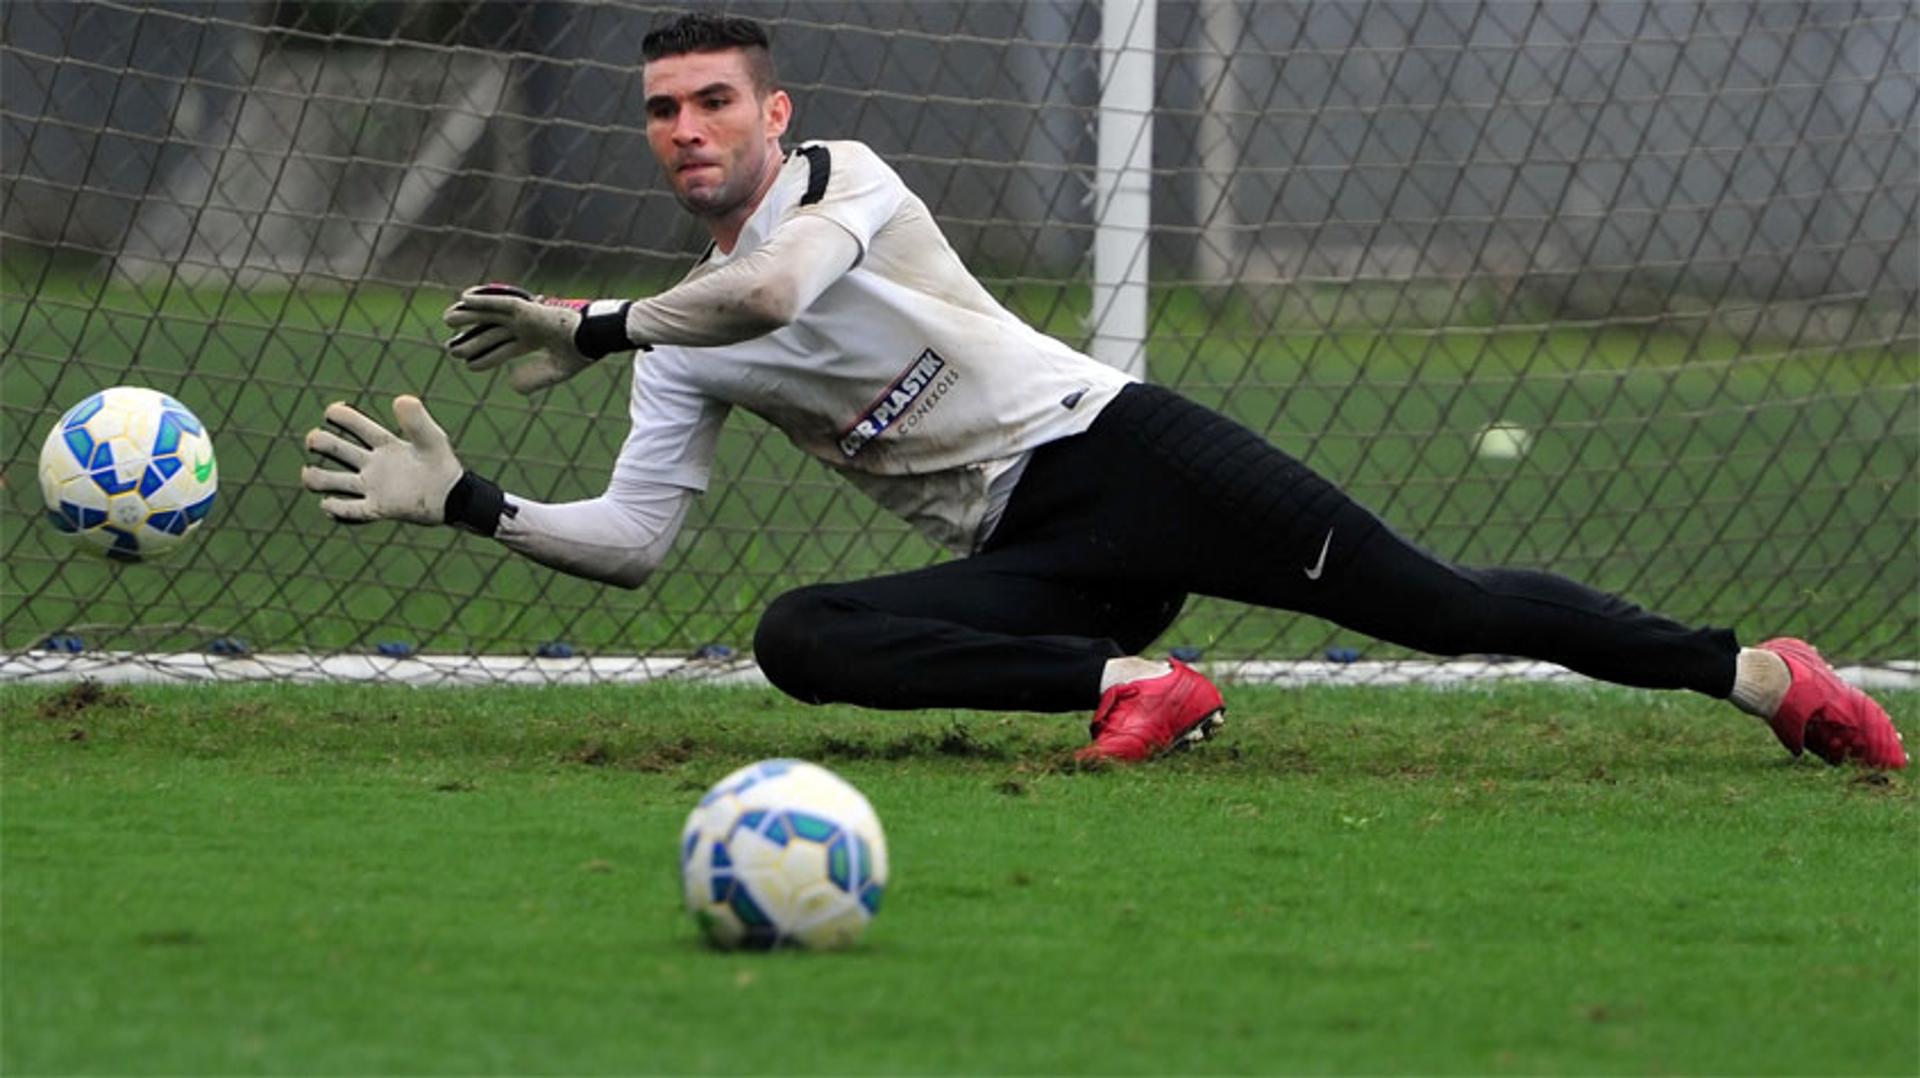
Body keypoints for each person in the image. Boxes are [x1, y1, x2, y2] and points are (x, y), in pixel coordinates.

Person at [299, 12, 1905, 769]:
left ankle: (1767, 676)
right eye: (659, 109)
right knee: (800, 638)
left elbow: (776, 288)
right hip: (1042, 561)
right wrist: (472, 504)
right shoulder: (675, 334)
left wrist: (595, 324)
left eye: (712, 99)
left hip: (1129, 457)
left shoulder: (840, 182)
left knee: (1448, 603)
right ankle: (1127, 689)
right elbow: (641, 538)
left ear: (773, 112)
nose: (683, 126)